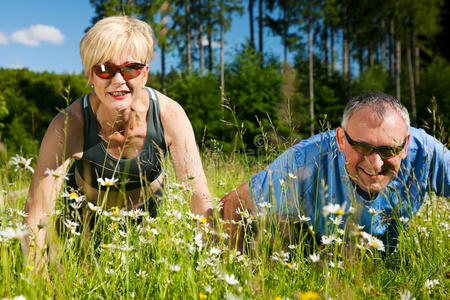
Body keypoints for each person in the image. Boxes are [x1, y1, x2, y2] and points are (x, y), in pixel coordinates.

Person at [24, 16, 212, 267]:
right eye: (104, 69)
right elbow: (37, 211)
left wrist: (209, 267)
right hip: (80, 224)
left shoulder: (170, 115)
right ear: (89, 74)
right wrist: (37, 284)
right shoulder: (69, 124)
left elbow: (200, 201)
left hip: (146, 225)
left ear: (145, 74)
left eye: (130, 68)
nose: (118, 80)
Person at [221, 91, 449, 252]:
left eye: (389, 150)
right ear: (341, 139)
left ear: (406, 144)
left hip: (385, 258)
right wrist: (241, 271)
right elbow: (232, 205)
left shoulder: (426, 152)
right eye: (361, 146)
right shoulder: (306, 160)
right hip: (312, 251)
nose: (375, 165)